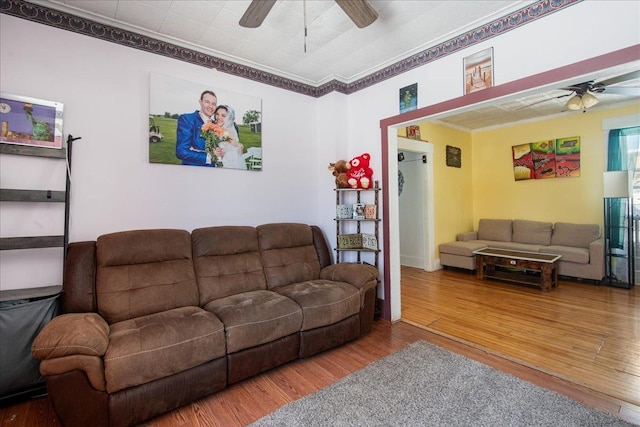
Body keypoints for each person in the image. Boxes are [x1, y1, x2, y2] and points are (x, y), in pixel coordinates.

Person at [175, 90, 222, 166]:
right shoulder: (187, 119)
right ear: (200, 102)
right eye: (207, 102)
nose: (210, 106)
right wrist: (210, 156)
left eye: (213, 104)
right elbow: (181, 151)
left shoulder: (216, 125)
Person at [213, 105, 247, 170]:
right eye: (217, 114)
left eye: (223, 116)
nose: (219, 117)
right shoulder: (214, 127)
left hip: (229, 162)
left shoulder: (227, 131)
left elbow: (234, 145)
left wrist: (239, 145)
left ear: (228, 118)